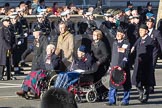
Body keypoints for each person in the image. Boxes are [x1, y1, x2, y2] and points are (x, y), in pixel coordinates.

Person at [107, 27, 131, 106]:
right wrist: (111, 65)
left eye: (119, 34)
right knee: (113, 84)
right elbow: (113, 56)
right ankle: (111, 100)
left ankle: (125, 100)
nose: (117, 35)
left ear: (123, 35)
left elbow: (126, 56)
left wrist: (121, 65)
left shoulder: (127, 44)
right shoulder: (114, 43)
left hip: (123, 67)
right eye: (117, 34)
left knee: (126, 85)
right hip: (114, 67)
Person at [131, 24, 155, 103]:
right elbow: (134, 47)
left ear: (146, 31)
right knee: (135, 80)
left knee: (146, 81)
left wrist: (143, 58)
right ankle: (141, 92)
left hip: (146, 64)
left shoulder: (150, 40)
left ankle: (145, 96)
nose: (140, 32)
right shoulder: (139, 39)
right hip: (138, 63)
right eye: (139, 30)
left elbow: (149, 52)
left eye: (142, 31)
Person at [146, 18, 162, 93]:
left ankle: (151, 86)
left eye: (149, 22)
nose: (148, 24)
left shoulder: (156, 32)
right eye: (147, 22)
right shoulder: (145, 32)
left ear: (153, 23)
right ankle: (147, 85)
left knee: (151, 69)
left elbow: (161, 44)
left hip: (153, 54)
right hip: (146, 54)